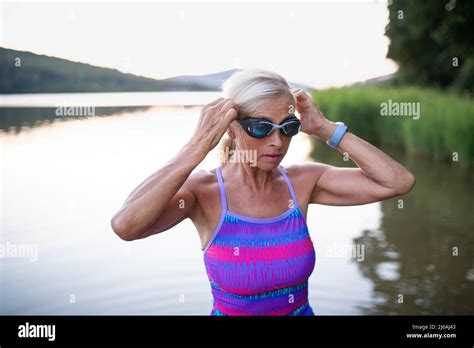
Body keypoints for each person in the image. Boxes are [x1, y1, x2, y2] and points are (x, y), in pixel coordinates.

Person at [111, 68, 416, 315]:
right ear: (231, 128)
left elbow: (397, 182)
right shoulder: (203, 192)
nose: (277, 142)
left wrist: (325, 128)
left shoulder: (302, 182)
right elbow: (126, 226)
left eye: (287, 128)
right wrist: (196, 147)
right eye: (261, 127)